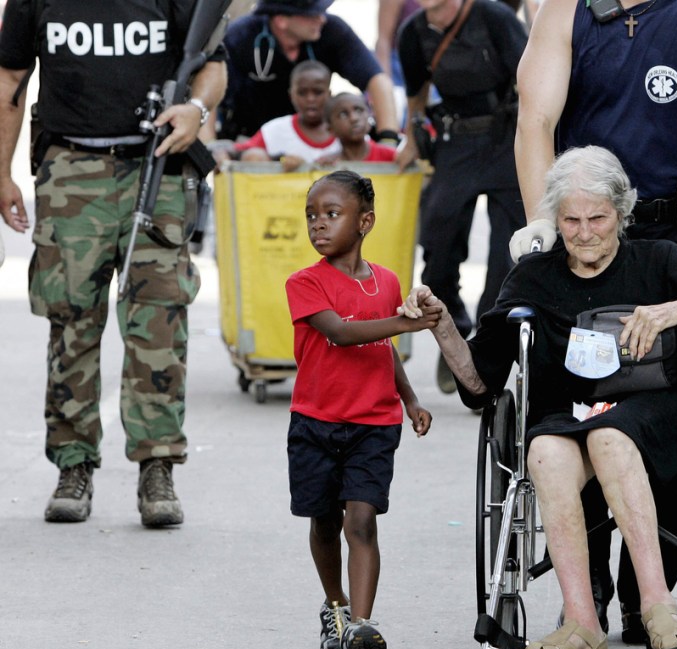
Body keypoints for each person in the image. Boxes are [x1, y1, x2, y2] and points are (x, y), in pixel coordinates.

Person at [401, 145, 677, 649]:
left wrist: (672, 311)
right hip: (570, 415)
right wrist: (440, 324)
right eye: (570, 219)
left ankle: (660, 612)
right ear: (555, 219)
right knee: (545, 453)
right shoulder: (532, 277)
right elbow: (480, 384)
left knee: (610, 439)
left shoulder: (657, 260)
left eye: (598, 217)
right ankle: (581, 624)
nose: (584, 231)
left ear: (622, 212)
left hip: (658, 410)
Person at [510, 0, 677, 641]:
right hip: (588, 235)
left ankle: (644, 593)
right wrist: (542, 220)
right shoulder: (563, 13)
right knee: (581, 400)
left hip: (676, 232)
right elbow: (535, 120)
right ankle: (591, 592)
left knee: (670, 402)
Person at [0, 1, 227, 526]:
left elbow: (214, 62)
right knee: (71, 319)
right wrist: (3, 172)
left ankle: (157, 466)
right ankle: (73, 465)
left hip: (159, 165)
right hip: (70, 168)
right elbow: (11, 74)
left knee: (159, 324)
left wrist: (197, 109)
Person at [285, 170, 438, 649]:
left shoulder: (387, 281)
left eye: (332, 214)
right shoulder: (305, 283)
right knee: (324, 522)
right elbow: (341, 334)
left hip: (375, 424)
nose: (319, 225)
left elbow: (383, 347)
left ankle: (360, 629)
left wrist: (410, 398)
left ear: (365, 221)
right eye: (312, 215)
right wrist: (408, 321)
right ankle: (335, 606)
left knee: (362, 521)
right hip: (315, 422)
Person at [396, 0, 528, 392]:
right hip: (456, 139)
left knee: (508, 255)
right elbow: (416, 95)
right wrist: (410, 139)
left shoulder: (493, 17)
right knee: (437, 243)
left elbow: (532, 77)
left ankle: (482, 355)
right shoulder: (414, 32)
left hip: (507, 137)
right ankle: (453, 328)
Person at [217, 0, 400, 146]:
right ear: (282, 20)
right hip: (253, 138)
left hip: (315, 137)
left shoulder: (332, 30)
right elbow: (212, 94)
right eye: (312, 14)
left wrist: (388, 138)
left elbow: (377, 81)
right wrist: (211, 146)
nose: (322, 19)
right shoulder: (240, 37)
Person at [223, 59, 340, 169]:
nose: (310, 99)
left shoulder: (344, 128)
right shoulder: (274, 130)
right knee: (254, 155)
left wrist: (337, 158)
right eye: (302, 93)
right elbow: (236, 151)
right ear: (291, 96)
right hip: (285, 191)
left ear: (329, 94)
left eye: (318, 92)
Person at [316, 92, 398, 164]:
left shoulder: (392, 157)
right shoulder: (327, 163)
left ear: (369, 115)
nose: (354, 118)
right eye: (343, 114)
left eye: (359, 110)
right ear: (331, 129)